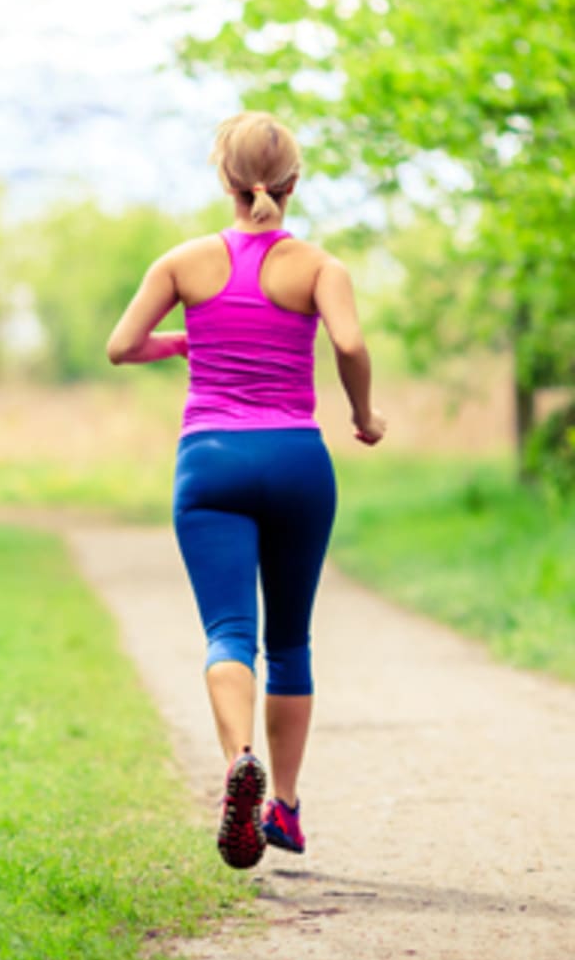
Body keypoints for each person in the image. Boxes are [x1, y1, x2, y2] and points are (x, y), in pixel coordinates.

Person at [106, 111, 386, 869]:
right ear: (292, 184)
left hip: (211, 461)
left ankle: (238, 761)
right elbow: (351, 344)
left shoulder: (183, 262)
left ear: (224, 181)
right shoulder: (319, 267)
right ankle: (284, 808)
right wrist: (363, 415)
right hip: (297, 460)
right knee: (291, 641)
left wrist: (183, 341)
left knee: (231, 634)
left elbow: (120, 346)